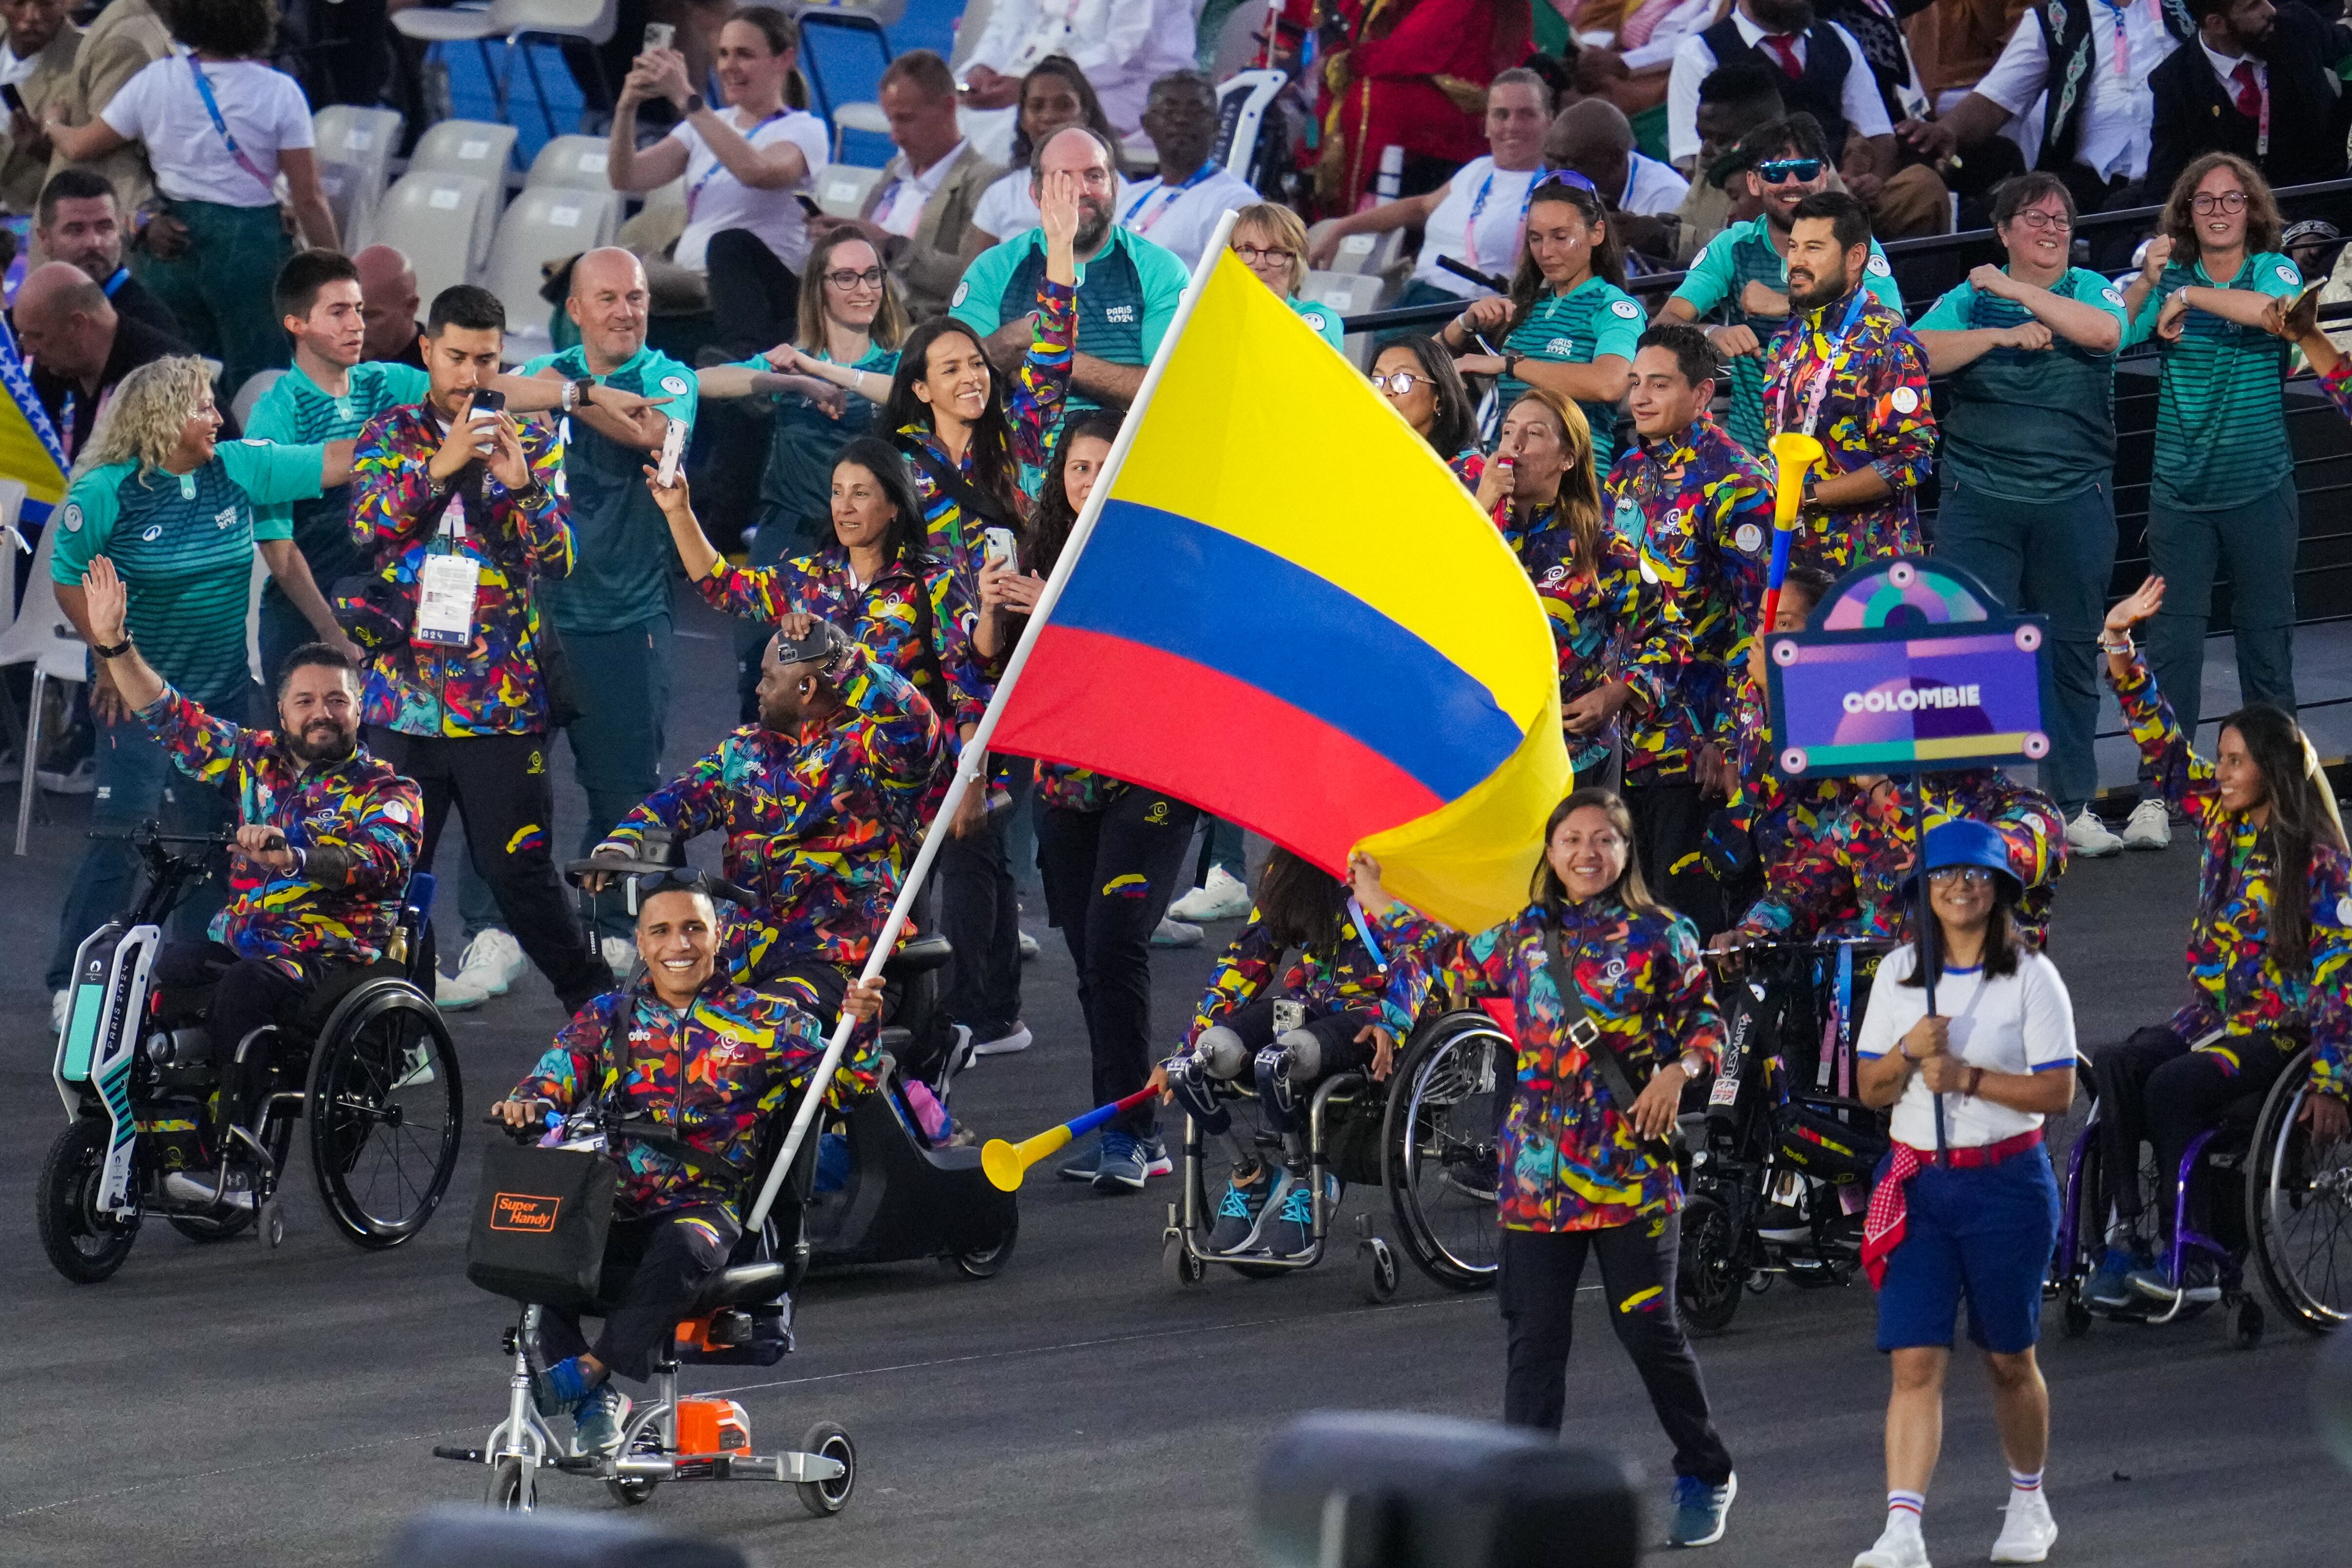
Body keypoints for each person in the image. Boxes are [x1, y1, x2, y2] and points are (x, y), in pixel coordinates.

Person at [1352, 793, 1739, 1549]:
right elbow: (1438, 954)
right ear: (1551, 851)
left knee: (1649, 1332)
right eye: (1570, 839)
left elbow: (1706, 1022)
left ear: (1626, 850)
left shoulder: (1663, 932)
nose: (1586, 852)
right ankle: (1523, 1504)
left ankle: (1705, 1471)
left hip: (1628, 1171)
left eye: (1603, 839)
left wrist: (1679, 1071)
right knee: (1534, 1343)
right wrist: (1376, 900)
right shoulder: (1524, 935)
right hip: (1536, 1178)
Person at [71, 554, 422, 1211]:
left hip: (329, 958)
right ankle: (148, 1136)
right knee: (157, 970)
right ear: (282, 710)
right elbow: (171, 717)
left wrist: (294, 856)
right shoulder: (255, 759)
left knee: (242, 987)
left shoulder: (389, 790)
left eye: (337, 700)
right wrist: (114, 643)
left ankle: (235, 1165)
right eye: (306, 701)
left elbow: (378, 860)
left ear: (359, 708)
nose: (322, 713)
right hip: (245, 942)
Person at [495, 868, 885, 1458]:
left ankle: (591, 1373)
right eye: (661, 931)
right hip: (618, 1204)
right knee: (537, 1242)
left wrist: (864, 1024)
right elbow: (551, 1080)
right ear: (642, 943)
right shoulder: (608, 1015)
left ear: (717, 935)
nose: (679, 944)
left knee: (681, 1243)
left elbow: (849, 1090)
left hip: (708, 1212)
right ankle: (595, 1407)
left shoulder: (769, 1020)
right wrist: (526, 1104)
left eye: (693, 928)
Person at [652, 441, 1010, 1052]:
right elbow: (722, 586)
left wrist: (973, 776)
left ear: (894, 505)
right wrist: (678, 509)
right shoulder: (809, 577)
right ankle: (874, 1049)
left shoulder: (931, 583)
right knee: (840, 928)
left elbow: (968, 682)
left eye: (861, 493)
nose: (845, 506)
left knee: (901, 928)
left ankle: (923, 1052)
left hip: (900, 785)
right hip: (821, 784)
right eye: (838, 492)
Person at [40, 354, 356, 1029]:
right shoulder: (105, 492)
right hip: (138, 696)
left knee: (216, 838)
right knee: (123, 833)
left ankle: (194, 975)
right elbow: (67, 577)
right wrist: (105, 656)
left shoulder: (239, 468)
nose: (218, 416)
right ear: (161, 419)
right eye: (203, 406)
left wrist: (428, 432)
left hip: (220, 696)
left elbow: (335, 461)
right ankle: (75, 982)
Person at [2081, 576, 2350, 1312]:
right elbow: (2164, 748)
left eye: (2235, 761)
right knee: (2115, 1063)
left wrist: (2332, 1081)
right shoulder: (2222, 818)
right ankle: (2124, 1236)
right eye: (2222, 759)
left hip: (2279, 1031)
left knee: (2173, 1086)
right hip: (2210, 1017)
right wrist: (2119, 643)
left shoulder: (2321, 862)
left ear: (2273, 769)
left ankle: (2194, 1253)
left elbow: (2339, 978)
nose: (2221, 771)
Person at [348, 284, 612, 1017]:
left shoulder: (533, 440)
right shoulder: (390, 433)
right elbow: (367, 527)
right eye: (457, 357)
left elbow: (561, 559)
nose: (471, 375)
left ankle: (600, 1015)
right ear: (427, 350)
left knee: (519, 873)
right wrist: (441, 465)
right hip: (401, 702)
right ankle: (392, 1033)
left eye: (487, 360)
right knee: (392, 877)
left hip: (499, 703)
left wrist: (523, 487)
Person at [1850, 819, 2076, 1568]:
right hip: (1917, 1185)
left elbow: (2058, 1090)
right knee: (1913, 1360)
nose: (1959, 886)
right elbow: (1870, 1087)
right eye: (1943, 874)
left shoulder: (2032, 976)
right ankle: (1902, 1528)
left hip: (2007, 1185)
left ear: (2000, 890)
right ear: (1921, 891)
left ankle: (2029, 1500)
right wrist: (1908, 1051)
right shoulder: (1897, 972)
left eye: (1975, 874)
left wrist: (1969, 1077)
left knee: (2009, 1357)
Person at [993, 408, 1201, 1189]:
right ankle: (1125, 1126)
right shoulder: (1041, 553)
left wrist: (1058, 605)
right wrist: (990, 608)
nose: (1090, 480)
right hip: (1064, 784)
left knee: (1115, 947)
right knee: (1090, 963)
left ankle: (1132, 1133)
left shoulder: (1167, 551)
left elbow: (1158, 662)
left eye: (1105, 466)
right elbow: (1002, 669)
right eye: (1078, 467)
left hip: (1150, 781)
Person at [1912, 172, 2131, 862]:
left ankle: (2072, 806)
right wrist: (1996, 336)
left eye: (2061, 220)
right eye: (2035, 218)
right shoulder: (1966, 299)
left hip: (2074, 500)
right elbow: (1912, 353)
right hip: (1979, 501)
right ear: (2004, 231)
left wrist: (2016, 293)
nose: (2051, 229)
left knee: (2070, 653)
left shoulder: (2089, 288)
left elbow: (2105, 334)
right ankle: (1974, 809)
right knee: (1971, 654)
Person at [586, 621, 949, 1021]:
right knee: (641, 1020)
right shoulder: (743, 749)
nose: (758, 689)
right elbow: (678, 799)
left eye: (768, 679)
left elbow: (916, 723)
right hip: (742, 956)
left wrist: (838, 660)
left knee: (752, 1029)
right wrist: (624, 841)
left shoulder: (870, 750)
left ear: (806, 688)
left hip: (839, 963)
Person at [501, 249, 700, 978]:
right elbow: (488, 390)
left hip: (627, 618)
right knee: (506, 789)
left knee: (626, 792)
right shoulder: (544, 372)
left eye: (636, 297)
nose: (625, 310)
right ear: (576, 310)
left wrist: (568, 398)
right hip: (535, 622)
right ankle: (493, 932)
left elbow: (653, 433)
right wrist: (571, 390)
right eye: (608, 298)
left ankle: (615, 926)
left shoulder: (670, 378)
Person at [2111, 152, 2303, 853]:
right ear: (2186, 214)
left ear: (2252, 210)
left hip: (2260, 490)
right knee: (2169, 650)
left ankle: (2280, 795)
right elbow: (2113, 332)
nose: (2219, 211)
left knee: (2267, 646)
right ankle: (2157, 795)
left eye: (2232, 199)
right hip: (2180, 497)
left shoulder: (2271, 268)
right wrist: (2149, 283)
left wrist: (2188, 297)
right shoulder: (2167, 276)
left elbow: (2276, 317)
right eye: (2204, 201)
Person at [43, 0, 336, 395]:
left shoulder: (156, 80)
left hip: (171, 248)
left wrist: (53, 123)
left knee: (173, 384)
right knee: (259, 383)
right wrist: (339, 273)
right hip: (251, 255)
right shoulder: (280, 92)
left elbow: (80, 146)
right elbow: (309, 198)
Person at [1152, 847, 1418, 1255]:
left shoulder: (1399, 860)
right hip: (1309, 1003)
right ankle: (1250, 1176)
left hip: (1373, 1013)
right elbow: (1247, 959)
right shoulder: (1292, 863)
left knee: (1288, 1055)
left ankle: (1309, 1179)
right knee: (1204, 1055)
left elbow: (1421, 953)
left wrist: (1392, 1020)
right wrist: (1184, 1047)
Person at [696, 227, 906, 712]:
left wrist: (826, 374)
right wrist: (793, 384)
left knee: (855, 695)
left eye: (872, 275)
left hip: (867, 552)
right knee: (766, 689)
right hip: (789, 541)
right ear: (818, 288)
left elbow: (908, 393)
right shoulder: (795, 362)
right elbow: (703, 381)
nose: (863, 288)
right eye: (846, 277)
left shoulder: (897, 364)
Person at [1606, 322, 1771, 936]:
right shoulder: (1626, 474)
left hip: (1695, 749)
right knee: (1628, 924)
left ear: (1702, 394)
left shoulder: (1739, 483)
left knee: (1687, 923)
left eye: (1659, 384)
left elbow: (1759, 623)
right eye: (1635, 383)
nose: (1640, 398)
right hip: (1625, 737)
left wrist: (1728, 739)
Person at [1472, 387, 1684, 788]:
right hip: (1481, 754)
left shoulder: (1598, 545)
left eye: (1534, 434)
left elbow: (1671, 631)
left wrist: (1617, 694)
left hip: (1575, 758)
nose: (1514, 445)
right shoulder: (1471, 531)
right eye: (1507, 432)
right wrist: (1478, 509)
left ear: (1567, 459)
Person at [1658, 113, 1903, 458]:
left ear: (1822, 177)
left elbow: (1891, 325)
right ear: (1754, 182)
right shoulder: (1733, 247)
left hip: (1840, 456)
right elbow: (1664, 323)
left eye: (1804, 170)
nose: (1792, 183)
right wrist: (1713, 332)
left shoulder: (1855, 242)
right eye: (1775, 173)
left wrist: (1786, 304)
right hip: (1753, 459)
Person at [603, 8, 826, 359]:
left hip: (763, 289)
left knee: (729, 243)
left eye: (744, 55)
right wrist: (626, 108)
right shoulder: (706, 123)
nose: (728, 67)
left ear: (784, 59)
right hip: (692, 279)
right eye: (723, 54)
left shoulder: (804, 128)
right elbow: (626, 177)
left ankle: (743, 356)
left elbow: (757, 172)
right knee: (600, 271)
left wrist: (686, 97)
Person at [954, 125, 1188, 410]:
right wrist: (1011, 339)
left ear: (1115, 186)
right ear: (1036, 194)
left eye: (1094, 176)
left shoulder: (1159, 270)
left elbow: (1170, 390)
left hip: (1119, 438)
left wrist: (1050, 354)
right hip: (1017, 437)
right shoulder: (994, 268)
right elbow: (952, 379)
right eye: (1062, 178)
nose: (1081, 190)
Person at [1759, 189, 1933, 568]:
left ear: (1854, 258)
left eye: (1814, 248)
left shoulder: (1888, 343)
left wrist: (1808, 496)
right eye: (1793, 247)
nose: (1797, 261)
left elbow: (1910, 461)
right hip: (1790, 559)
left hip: (1869, 568)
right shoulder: (1784, 339)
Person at [1666, 0, 1938, 238]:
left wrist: (1870, 181)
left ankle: (1889, 280)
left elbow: (1879, 137)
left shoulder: (1836, 38)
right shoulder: (1699, 53)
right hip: (1760, 208)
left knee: (1923, 188)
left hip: (1847, 200)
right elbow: (1699, 168)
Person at [1912, 0, 2185, 221]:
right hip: (2086, 181)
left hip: (2183, 177)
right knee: (1992, 222)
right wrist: (1948, 130)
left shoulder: (2189, 10)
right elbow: (1995, 99)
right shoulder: (2054, 18)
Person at [1304, 68, 1551, 312]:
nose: (1512, 126)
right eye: (1501, 115)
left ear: (1549, 121)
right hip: (1416, 296)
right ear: (1486, 124)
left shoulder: (1552, 190)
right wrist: (1342, 228)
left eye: (1526, 115)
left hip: (1469, 311)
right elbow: (1422, 207)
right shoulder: (1478, 169)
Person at [1445, 178, 1642, 470]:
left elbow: (1610, 384)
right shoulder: (1525, 306)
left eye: (1560, 237)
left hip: (1572, 480)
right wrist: (1464, 323)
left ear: (1597, 233)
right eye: (1536, 239)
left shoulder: (1613, 306)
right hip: (1504, 475)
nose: (1546, 252)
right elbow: (1419, 368)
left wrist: (1508, 365)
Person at [1308, 0, 1534, 214]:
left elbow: (1409, 51)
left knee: (1372, 98)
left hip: (1462, 108)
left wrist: (1344, 63)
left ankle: (1347, 216)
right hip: (1448, 98)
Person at [2144, 0, 2352, 201]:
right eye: (2254, 5)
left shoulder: (2297, 25)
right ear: (2217, 24)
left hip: (2326, 194)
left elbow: (2348, 54)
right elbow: (2165, 175)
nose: (2270, 10)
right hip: (2239, 211)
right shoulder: (2175, 81)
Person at [954, 0, 1198, 160]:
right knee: (950, 110)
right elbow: (1007, 24)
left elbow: (1123, 53)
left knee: (1011, 127)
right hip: (1037, 70)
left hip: (1127, 86)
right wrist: (983, 68)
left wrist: (1031, 85)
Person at [862, 51, 1004, 322]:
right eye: (891, 120)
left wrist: (891, 245)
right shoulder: (895, 171)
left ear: (948, 107)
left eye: (906, 119)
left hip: (917, 323)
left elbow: (966, 276)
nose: (895, 136)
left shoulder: (981, 180)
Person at [13, 257, 189, 465]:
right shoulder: (62, 368)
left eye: (37, 336)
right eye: (24, 337)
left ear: (77, 325)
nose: (29, 350)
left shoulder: (163, 381)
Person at [962, 55, 1121, 257]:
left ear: (1085, 115)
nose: (1049, 116)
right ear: (1023, 120)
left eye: (1064, 105)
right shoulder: (1001, 195)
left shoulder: (1112, 189)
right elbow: (980, 272)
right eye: (1037, 107)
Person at [34, 0, 165, 221]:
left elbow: (86, 144)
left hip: (98, 211)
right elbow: (88, 143)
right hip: (97, 215)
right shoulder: (128, 37)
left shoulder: (131, 27)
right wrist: (52, 124)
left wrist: (52, 124)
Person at [1116, 71, 1258, 271]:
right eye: (1169, 111)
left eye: (1196, 112)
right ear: (1147, 124)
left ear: (1216, 127)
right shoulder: (1132, 196)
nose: (1182, 119)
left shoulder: (1235, 202)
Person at [30, 167, 177, 337]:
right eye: (76, 230)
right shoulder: (26, 320)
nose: (94, 243)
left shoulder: (151, 323)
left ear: (119, 230)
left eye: (105, 228)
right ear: (45, 239)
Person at [1545, 98, 1692, 261]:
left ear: (1615, 159)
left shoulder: (1666, 196)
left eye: (1568, 164)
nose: (1557, 175)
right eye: (1552, 160)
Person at [1669, 62, 1786, 262]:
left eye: (1721, 140)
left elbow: (1751, 248)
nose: (1705, 150)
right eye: (1703, 138)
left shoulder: (1798, 178)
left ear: (1767, 132)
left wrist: (1670, 240)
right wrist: (1657, 227)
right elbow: (1688, 217)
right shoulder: (1712, 162)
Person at [1228, 201, 1346, 350]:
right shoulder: (1211, 313)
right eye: (1248, 250)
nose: (1260, 264)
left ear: (1295, 265)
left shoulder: (1316, 319)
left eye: (1275, 252)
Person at [0, 0, 77, 215]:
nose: (32, 16)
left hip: (39, 215)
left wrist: (44, 151)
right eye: (19, 4)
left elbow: (103, 166)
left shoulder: (88, 58)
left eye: (45, 4)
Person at [1366, 334, 1481, 477]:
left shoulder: (1467, 471)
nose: (1385, 392)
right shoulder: (1365, 460)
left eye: (1402, 381)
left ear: (1440, 398)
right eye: (1377, 381)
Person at [354, 244, 423, 369]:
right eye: (341, 313)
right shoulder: (331, 364)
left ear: (411, 307)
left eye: (370, 316)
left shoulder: (441, 373)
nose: (356, 326)